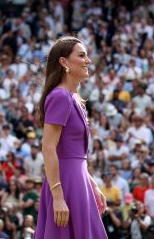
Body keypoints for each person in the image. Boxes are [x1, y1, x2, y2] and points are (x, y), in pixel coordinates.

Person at [33, 37, 107, 238]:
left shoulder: (73, 98)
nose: (88, 60)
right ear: (64, 62)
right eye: (81, 55)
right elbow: (48, 148)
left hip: (78, 181)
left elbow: (73, 154)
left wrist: (92, 183)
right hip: (65, 184)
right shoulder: (60, 97)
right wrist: (57, 196)